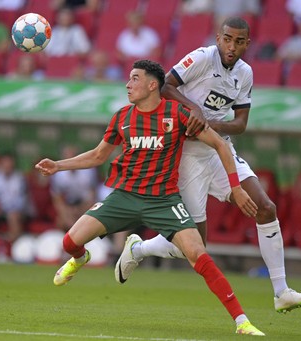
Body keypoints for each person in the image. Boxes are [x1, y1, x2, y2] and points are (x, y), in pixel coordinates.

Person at [36, 59, 264, 336]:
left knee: (198, 254)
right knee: (69, 241)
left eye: (134, 78)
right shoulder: (122, 116)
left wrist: (236, 187)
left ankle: (242, 321)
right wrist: (58, 165)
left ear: (152, 84)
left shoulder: (177, 114)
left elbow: (220, 145)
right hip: (124, 196)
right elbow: (98, 155)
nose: (128, 84)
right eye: (129, 79)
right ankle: (80, 258)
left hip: (164, 200)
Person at [117, 17, 301, 313]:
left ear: (247, 44)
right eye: (227, 39)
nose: (231, 46)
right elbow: (164, 86)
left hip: (218, 151)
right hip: (185, 156)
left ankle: (281, 292)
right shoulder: (201, 57)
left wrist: (208, 125)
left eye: (239, 41)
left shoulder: (245, 73)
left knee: (266, 208)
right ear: (218, 37)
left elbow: (240, 124)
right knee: (195, 246)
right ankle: (139, 248)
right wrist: (193, 110)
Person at [50, 145, 99, 231]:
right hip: (68, 206)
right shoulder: (58, 175)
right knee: (61, 221)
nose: (70, 159)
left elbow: (93, 195)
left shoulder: (89, 171)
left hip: (85, 205)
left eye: (73, 156)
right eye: (67, 156)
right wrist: (66, 214)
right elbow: (57, 200)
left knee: (90, 219)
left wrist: (83, 211)